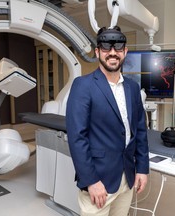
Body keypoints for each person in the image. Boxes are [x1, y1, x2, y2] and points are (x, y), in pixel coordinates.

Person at [66, 26, 149, 216]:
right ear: (97, 52)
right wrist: (91, 181)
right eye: (106, 48)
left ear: (125, 51)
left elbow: (140, 130)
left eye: (118, 48)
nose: (113, 53)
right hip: (99, 179)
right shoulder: (83, 86)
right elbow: (77, 137)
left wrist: (142, 168)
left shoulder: (133, 88)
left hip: (127, 178)